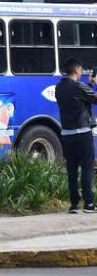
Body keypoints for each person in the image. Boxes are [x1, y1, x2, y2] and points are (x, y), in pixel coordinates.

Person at [55, 58, 97, 214]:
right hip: (82, 133)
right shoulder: (79, 86)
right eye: (81, 70)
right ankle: (89, 204)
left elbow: (82, 99)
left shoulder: (59, 88)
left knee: (72, 170)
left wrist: (90, 84)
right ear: (77, 69)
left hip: (67, 134)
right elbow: (93, 99)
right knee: (87, 168)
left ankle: (74, 205)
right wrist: (94, 84)